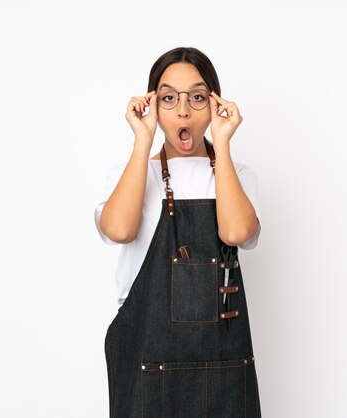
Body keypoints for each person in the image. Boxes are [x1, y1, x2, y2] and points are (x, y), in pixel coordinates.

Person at [94, 47, 262, 417]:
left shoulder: (237, 174)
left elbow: (236, 233)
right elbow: (118, 230)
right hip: (145, 358)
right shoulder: (132, 174)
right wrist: (143, 140)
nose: (183, 110)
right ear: (152, 105)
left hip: (222, 362)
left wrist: (224, 143)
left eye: (197, 97)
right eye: (168, 98)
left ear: (215, 105)